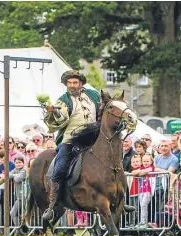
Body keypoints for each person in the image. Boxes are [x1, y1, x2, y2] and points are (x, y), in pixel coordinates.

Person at [42, 70, 133, 221]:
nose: (72, 85)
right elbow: (61, 116)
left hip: (94, 137)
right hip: (72, 140)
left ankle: (123, 200)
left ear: (81, 83)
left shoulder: (94, 95)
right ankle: (52, 205)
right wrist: (54, 112)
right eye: (69, 83)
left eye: (75, 82)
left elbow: (105, 108)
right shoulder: (63, 100)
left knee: (117, 161)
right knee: (60, 167)